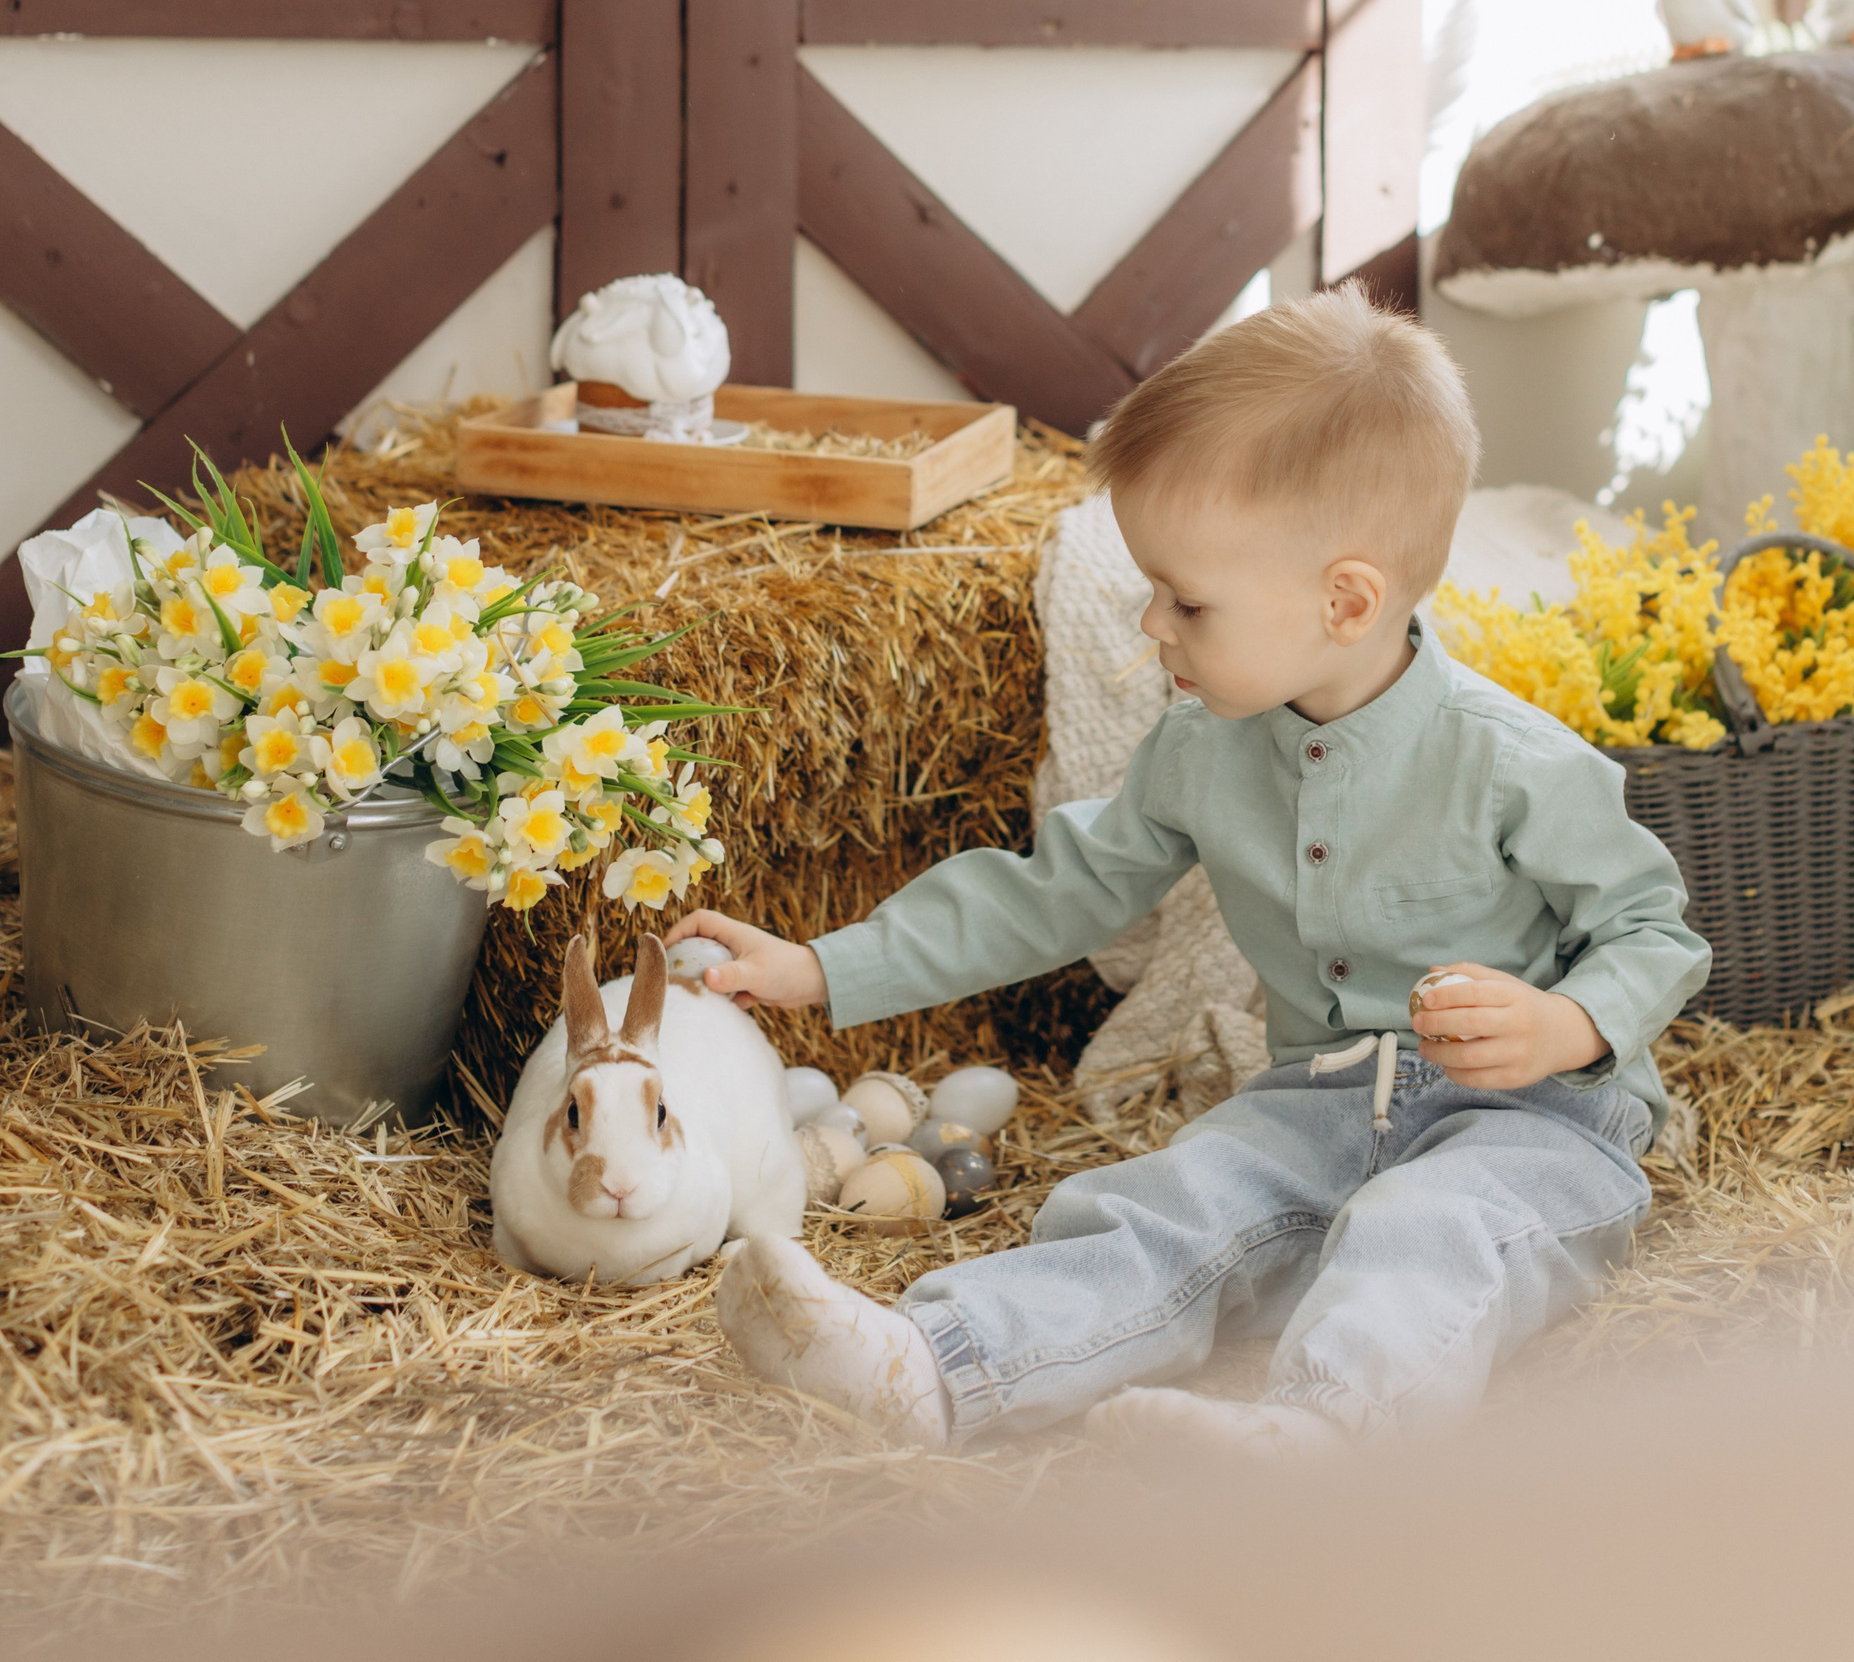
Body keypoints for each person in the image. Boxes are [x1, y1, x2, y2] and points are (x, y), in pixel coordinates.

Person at [668, 286, 1709, 1454]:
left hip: (1543, 1124)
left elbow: (1653, 929)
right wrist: (820, 966)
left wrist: (1566, 1024)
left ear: (1346, 600)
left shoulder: (1516, 761)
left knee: (1431, 1227)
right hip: (1318, 1104)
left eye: (1188, 601)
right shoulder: (1199, 751)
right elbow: (1051, 890)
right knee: (1170, 1203)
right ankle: (937, 1367)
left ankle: (1320, 1440)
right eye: (1152, 591)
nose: (1152, 626)